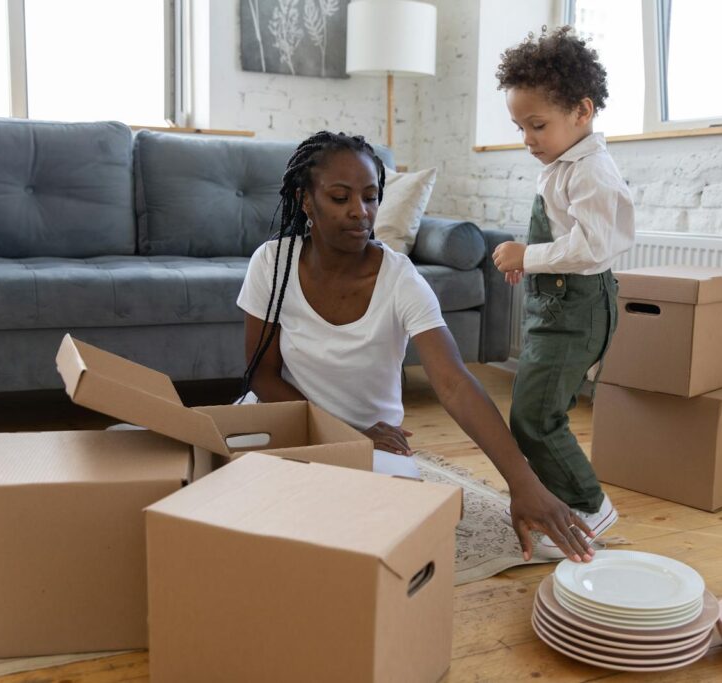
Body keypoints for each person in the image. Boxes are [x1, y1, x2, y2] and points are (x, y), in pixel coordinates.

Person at [236, 131, 595, 563]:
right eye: (339, 197)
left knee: (392, 532)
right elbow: (261, 374)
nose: (360, 212)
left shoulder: (400, 279)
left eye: (370, 197)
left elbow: (455, 384)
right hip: (290, 420)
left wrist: (524, 484)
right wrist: (341, 433)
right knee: (238, 502)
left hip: (376, 444)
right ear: (306, 200)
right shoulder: (271, 263)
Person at [490, 27, 635, 558]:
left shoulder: (591, 170)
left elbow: (592, 246)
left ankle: (589, 506)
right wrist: (528, 261)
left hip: (578, 308)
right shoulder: (562, 165)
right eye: (520, 127)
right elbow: (562, 233)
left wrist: (529, 256)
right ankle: (569, 498)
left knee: (535, 416)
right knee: (535, 409)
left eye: (537, 125)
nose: (528, 138)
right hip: (555, 303)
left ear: (582, 111)